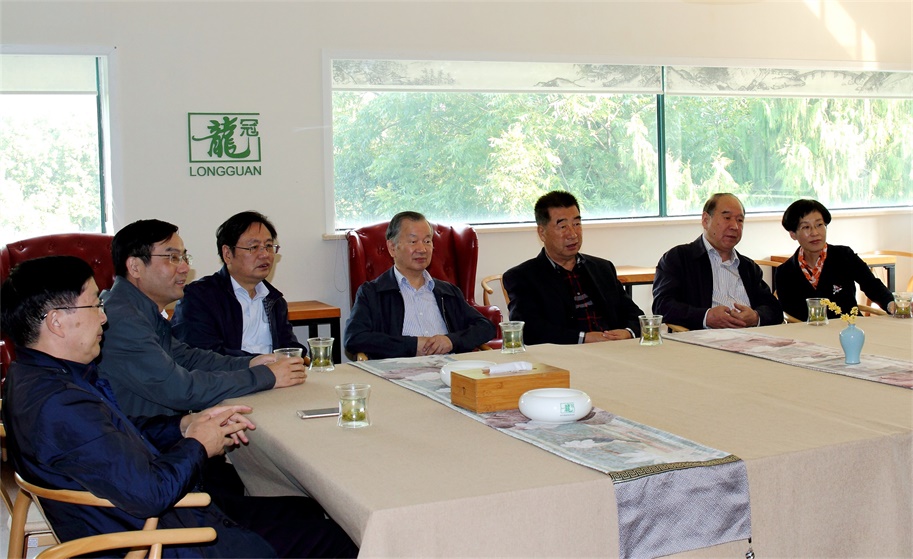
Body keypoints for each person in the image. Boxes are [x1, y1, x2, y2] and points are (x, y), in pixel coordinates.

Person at [0, 256, 358, 558]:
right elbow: (152, 493)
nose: (104, 318)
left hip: (152, 516)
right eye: (95, 305)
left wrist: (184, 425)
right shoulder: (61, 402)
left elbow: (119, 434)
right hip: (164, 539)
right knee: (339, 537)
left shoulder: (34, 376)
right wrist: (199, 443)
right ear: (56, 322)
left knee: (309, 506)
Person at [97, 219, 306, 419]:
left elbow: (187, 357)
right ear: (135, 267)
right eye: (173, 258)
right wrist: (266, 375)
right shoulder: (122, 320)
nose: (185, 268)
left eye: (184, 258)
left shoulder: (140, 310)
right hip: (141, 438)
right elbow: (182, 389)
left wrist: (251, 362)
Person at [344, 211, 496, 359]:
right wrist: (412, 345)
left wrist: (451, 341)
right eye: (413, 241)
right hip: (399, 371)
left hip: (449, 369)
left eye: (427, 241)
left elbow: (486, 327)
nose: (422, 249)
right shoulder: (372, 293)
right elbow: (354, 338)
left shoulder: (447, 292)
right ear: (392, 248)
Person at [502, 191, 644, 345]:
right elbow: (530, 330)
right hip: (564, 355)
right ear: (542, 233)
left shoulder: (602, 268)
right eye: (563, 226)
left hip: (613, 349)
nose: (573, 234)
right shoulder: (522, 277)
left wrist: (627, 332)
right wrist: (583, 338)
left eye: (577, 224)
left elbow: (635, 315)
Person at [172, 211, 305, 357]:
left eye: (268, 246)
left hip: (273, 371)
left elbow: (288, 347)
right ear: (227, 254)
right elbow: (203, 355)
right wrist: (265, 362)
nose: (265, 254)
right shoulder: (199, 297)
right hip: (232, 372)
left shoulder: (274, 300)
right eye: (254, 247)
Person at [652, 192, 783, 330]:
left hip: (752, 337)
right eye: (727, 218)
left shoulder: (748, 267)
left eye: (740, 220)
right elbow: (662, 306)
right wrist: (706, 317)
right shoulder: (678, 258)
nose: (735, 226)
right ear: (705, 220)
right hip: (703, 339)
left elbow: (774, 309)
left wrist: (756, 317)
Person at [775, 199, 895, 320]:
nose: (815, 233)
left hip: (849, 327)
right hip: (809, 330)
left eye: (819, 225)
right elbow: (790, 313)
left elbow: (871, 284)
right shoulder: (784, 272)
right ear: (793, 234)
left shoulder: (844, 255)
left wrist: (890, 303)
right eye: (806, 227)